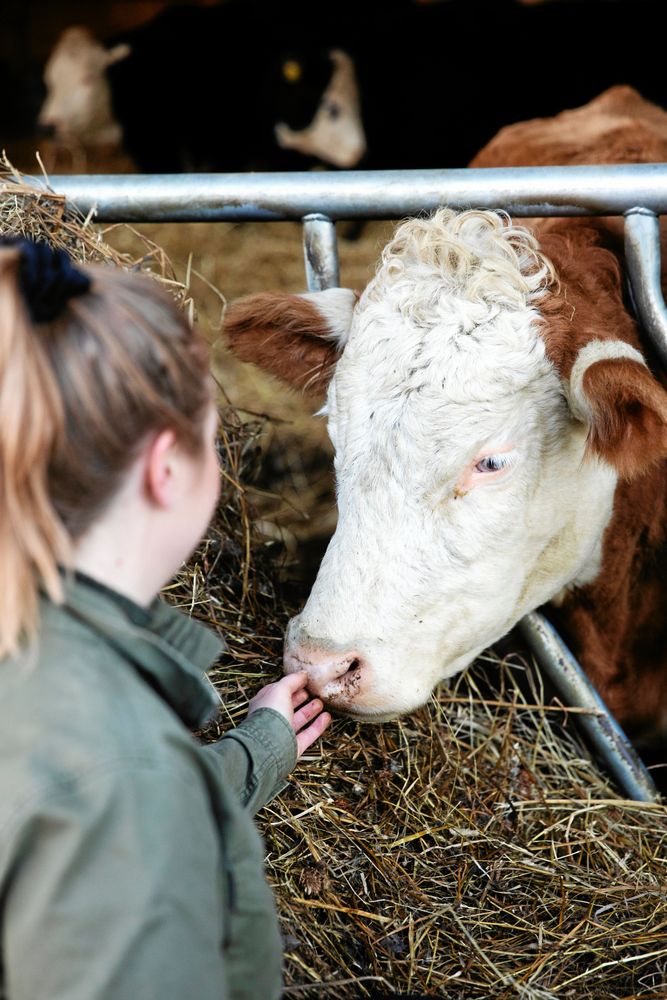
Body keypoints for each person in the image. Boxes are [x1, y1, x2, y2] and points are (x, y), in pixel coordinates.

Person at [0, 235, 332, 1000]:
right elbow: (108, 798)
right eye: (211, 439)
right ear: (165, 467)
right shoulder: (118, 777)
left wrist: (257, 751)